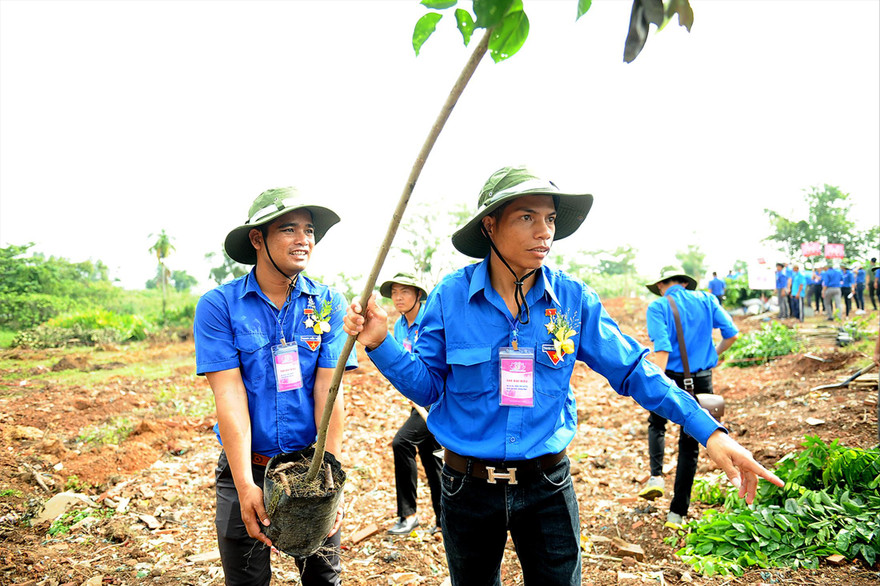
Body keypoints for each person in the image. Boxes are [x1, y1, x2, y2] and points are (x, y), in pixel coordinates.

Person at [343, 166, 783, 586]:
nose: (545, 231)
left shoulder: (572, 300)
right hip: (467, 488)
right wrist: (381, 342)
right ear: (490, 226)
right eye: (527, 217)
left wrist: (708, 431)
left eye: (550, 218)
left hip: (546, 487)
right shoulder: (450, 297)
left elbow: (632, 369)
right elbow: (428, 387)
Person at [194, 187, 358, 586]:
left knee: (323, 577)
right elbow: (230, 397)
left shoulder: (327, 304)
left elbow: (328, 393)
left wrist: (328, 478)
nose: (303, 240)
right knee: (246, 579)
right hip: (248, 467)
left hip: (310, 466)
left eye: (309, 230)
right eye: (289, 229)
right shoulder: (220, 306)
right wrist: (247, 485)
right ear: (257, 239)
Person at [638, 270, 739, 525]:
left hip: (669, 376)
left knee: (657, 424)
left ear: (661, 285)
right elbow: (732, 334)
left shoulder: (658, 306)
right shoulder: (707, 300)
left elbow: (661, 347)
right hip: (701, 378)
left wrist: (655, 385)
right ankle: (677, 513)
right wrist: (713, 355)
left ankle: (656, 477)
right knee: (691, 442)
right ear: (684, 283)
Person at [380, 272, 443, 536]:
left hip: (435, 400)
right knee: (431, 456)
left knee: (402, 442)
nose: (398, 297)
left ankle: (408, 515)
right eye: (394, 292)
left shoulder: (430, 321)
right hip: (417, 401)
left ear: (418, 295)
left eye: (405, 291)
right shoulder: (399, 326)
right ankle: (445, 519)